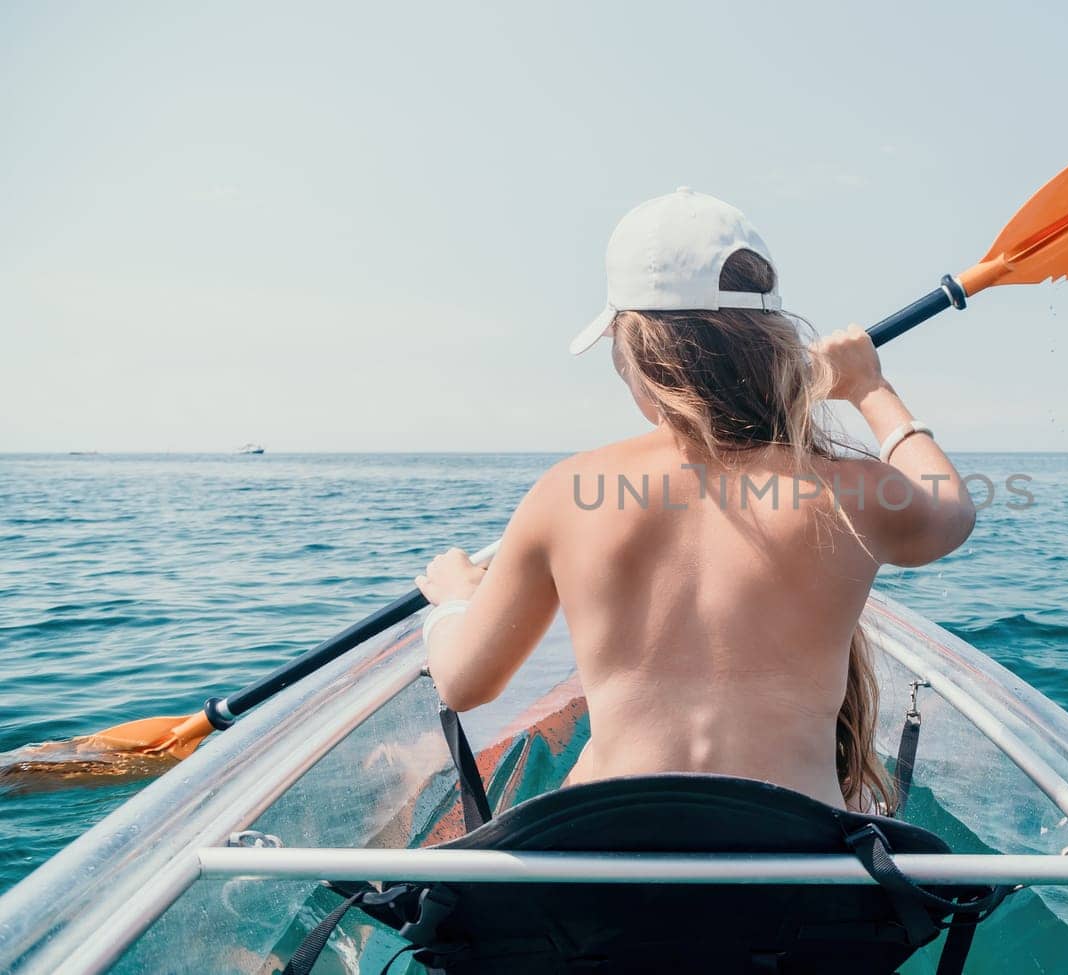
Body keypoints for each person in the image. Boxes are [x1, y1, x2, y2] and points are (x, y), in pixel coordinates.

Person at [415, 188, 974, 812]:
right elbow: (951, 510)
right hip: (798, 867)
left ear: (636, 349)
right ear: (773, 344)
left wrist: (459, 603)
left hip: (605, 859)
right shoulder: (852, 493)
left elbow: (464, 684)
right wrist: (871, 388)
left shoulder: (567, 492)